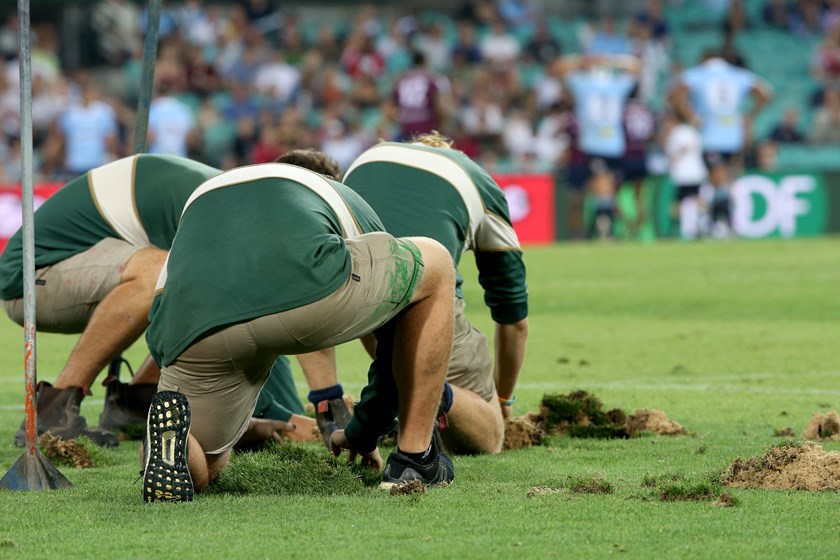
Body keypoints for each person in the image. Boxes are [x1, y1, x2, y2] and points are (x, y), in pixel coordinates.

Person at [142, 149, 456, 501]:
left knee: (209, 463)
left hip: (194, 326)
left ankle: (175, 446)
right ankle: (415, 459)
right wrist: (362, 432)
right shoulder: (339, 194)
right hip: (303, 302)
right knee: (436, 263)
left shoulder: (205, 196)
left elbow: (160, 306)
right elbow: (393, 339)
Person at [0, 154, 315, 447]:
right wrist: (285, 417)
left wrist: (286, 413)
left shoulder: (229, 196)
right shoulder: (219, 207)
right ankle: (55, 410)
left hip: (81, 269)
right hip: (32, 278)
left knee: (188, 286)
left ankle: (135, 402)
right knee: (159, 274)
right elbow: (249, 317)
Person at [342, 132, 529, 455]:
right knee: (490, 436)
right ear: (449, 152)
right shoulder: (475, 178)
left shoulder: (364, 159)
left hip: (351, 297)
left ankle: (389, 393)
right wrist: (502, 400)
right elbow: (513, 317)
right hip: (423, 294)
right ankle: (427, 391)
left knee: (374, 287)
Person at [669, 50, 772, 238]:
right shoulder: (738, 75)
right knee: (723, 181)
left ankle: (723, 224)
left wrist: (692, 117)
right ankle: (717, 223)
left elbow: (674, 95)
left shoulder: (698, 74)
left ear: (705, 60)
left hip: (710, 137)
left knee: (719, 182)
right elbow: (766, 94)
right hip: (734, 137)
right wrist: (749, 117)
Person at [559, 54, 641, 239]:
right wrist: (614, 61)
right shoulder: (617, 85)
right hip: (614, 145)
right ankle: (604, 226)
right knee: (604, 187)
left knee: (601, 188)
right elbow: (636, 67)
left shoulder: (583, 84)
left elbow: (560, 68)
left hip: (594, 143)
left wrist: (583, 61)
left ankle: (603, 226)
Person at [388, 50, 451, 140]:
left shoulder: (402, 82)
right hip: (427, 130)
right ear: (424, 62)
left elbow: (390, 110)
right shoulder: (429, 81)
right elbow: (439, 108)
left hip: (408, 131)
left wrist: (403, 118)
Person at [663, 111, 707, 240]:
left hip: (682, 174)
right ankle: (701, 224)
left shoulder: (676, 133)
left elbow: (674, 153)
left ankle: (676, 228)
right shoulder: (692, 132)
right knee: (697, 200)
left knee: (678, 202)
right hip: (697, 172)